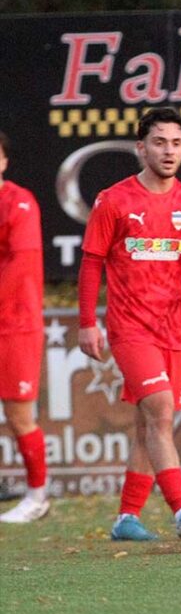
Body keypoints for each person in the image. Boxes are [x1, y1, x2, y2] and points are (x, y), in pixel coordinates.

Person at [78, 107, 181, 541]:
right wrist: (86, 322)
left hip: (173, 329)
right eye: (160, 142)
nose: (169, 151)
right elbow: (91, 263)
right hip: (130, 329)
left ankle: (126, 517)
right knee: (162, 411)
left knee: (149, 423)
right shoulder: (114, 200)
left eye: (176, 142)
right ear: (140, 147)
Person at [0, 131, 49, 523]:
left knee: (18, 416)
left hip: (13, 324)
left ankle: (37, 497)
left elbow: (19, 269)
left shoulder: (19, 203)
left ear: (3, 162)